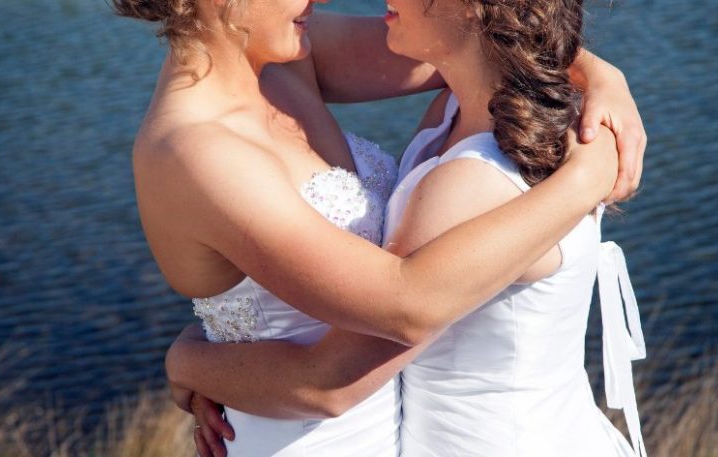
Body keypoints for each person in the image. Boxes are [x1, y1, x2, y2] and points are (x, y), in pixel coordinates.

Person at [112, 0, 645, 455]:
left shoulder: (283, 53)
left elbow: (474, 36)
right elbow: (394, 318)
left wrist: (601, 75)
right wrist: (586, 179)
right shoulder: (195, 151)